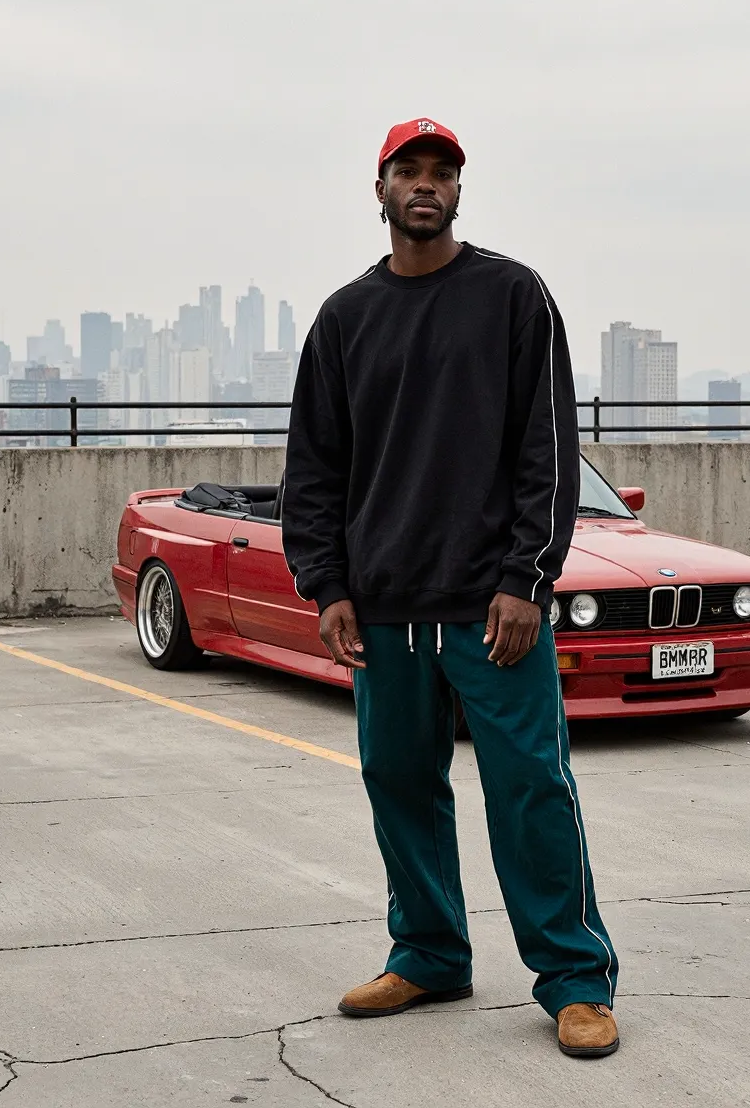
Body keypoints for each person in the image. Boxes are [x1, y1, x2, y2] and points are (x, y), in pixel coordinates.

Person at [282, 118, 620, 1058]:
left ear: (459, 191)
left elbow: (546, 450)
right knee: (399, 782)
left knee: (530, 790)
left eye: (442, 172)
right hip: (383, 609)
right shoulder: (345, 317)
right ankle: (429, 952)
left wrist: (526, 578)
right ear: (380, 187)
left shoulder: (513, 296)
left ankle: (575, 979)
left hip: (490, 608)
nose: (425, 185)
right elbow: (314, 466)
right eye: (408, 171)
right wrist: (326, 584)